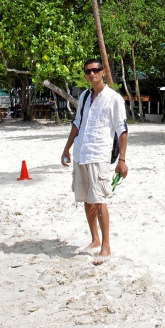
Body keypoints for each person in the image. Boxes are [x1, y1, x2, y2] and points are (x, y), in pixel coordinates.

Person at [61, 59, 128, 265]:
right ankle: (94, 240)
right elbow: (77, 122)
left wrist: (122, 161)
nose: (92, 74)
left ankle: (106, 246)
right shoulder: (84, 96)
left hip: (99, 153)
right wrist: (67, 148)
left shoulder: (114, 99)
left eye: (96, 70)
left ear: (103, 72)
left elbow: (122, 129)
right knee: (87, 200)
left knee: (99, 200)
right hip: (82, 152)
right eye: (88, 72)